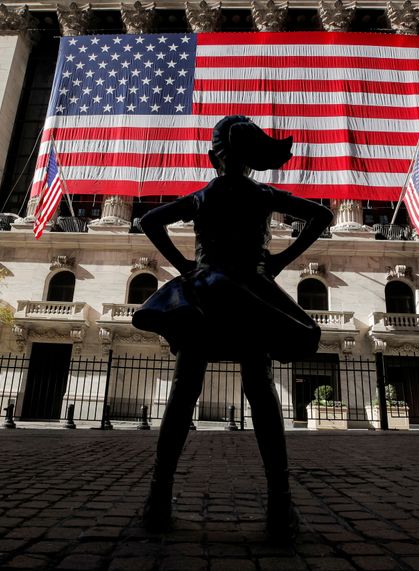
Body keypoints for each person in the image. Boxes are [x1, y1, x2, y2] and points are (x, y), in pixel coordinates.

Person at [132, 115, 333, 540]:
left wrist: (185, 265)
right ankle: (280, 504)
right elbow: (321, 214)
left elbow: (149, 222)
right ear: (252, 161)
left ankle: (158, 497)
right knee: (260, 389)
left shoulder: (204, 195)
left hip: (205, 293)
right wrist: (278, 261)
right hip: (251, 294)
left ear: (213, 158)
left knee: (184, 390)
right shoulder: (262, 194)